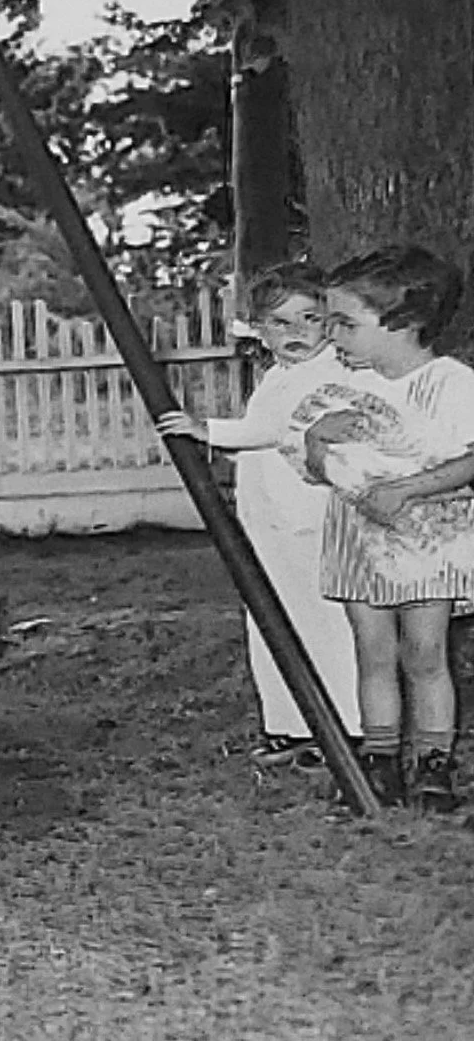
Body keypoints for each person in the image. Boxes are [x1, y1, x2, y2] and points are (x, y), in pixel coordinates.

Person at [157, 263, 364, 766]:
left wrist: (208, 430)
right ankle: (290, 723)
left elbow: (277, 428)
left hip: (314, 519)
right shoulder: (277, 375)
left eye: (309, 319)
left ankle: (348, 725)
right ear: (258, 329)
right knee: (270, 614)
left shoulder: (334, 373)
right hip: (269, 521)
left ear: (331, 320)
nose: (296, 333)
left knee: (327, 619)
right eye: (280, 322)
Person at [299, 244, 474, 812]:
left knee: (425, 651)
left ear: (405, 323)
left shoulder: (451, 384)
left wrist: (407, 489)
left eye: (346, 324)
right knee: (372, 650)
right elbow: (313, 467)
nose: (333, 336)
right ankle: (379, 759)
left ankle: (433, 763)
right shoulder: (341, 389)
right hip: (359, 539)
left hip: (427, 541)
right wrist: (317, 439)